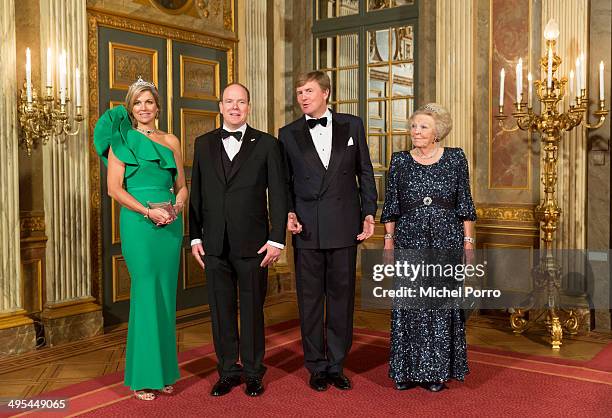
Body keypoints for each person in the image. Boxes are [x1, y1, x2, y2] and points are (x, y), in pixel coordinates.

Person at [279, 71, 377, 391]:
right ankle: (316, 366)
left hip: (344, 225)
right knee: (309, 301)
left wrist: (369, 213)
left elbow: (365, 172)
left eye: (308, 91)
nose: (302, 97)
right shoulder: (288, 133)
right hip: (306, 227)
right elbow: (285, 183)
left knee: (341, 299)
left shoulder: (353, 125)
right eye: (298, 92)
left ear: (326, 93)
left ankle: (336, 364)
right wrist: (289, 213)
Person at [189, 83, 287, 397]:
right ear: (220, 106)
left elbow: (279, 195)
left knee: (253, 310)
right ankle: (228, 371)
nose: (235, 107)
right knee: (221, 311)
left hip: (254, 244)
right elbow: (197, 194)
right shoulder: (202, 143)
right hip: (214, 244)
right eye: (229, 102)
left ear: (248, 106)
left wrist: (276, 240)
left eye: (240, 102)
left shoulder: (268, 144)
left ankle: (254, 373)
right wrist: (194, 237)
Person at [93, 77, 188, 400]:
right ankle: (142, 377)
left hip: (170, 225)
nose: (144, 108)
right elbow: (114, 189)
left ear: (158, 106)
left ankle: (162, 374)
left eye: (149, 102)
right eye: (138, 103)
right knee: (146, 294)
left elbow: (182, 185)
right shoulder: (122, 140)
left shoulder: (172, 140)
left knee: (164, 297)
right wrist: (148, 212)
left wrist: (177, 204)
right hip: (139, 223)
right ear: (131, 108)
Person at [380, 103, 476, 392]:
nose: (416, 131)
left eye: (423, 126)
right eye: (413, 126)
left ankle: (436, 372)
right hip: (409, 237)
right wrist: (388, 241)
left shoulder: (456, 158)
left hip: (447, 238)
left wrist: (469, 243)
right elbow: (391, 205)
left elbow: (465, 204)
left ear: (438, 132)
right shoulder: (399, 161)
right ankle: (405, 370)